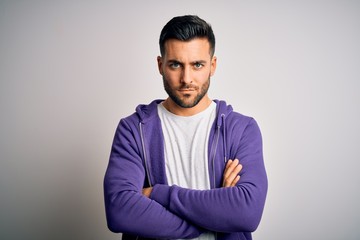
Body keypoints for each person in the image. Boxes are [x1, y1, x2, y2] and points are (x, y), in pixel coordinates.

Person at [104, 15, 267, 240]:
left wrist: (157, 194)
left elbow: (247, 213)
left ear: (213, 65)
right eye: (175, 65)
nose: (186, 78)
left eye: (197, 65)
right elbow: (119, 212)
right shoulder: (134, 130)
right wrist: (214, 216)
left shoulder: (241, 129)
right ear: (161, 65)